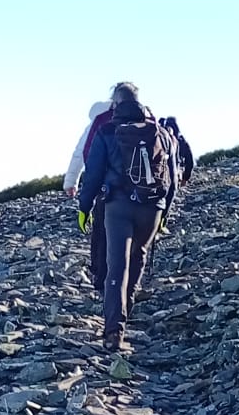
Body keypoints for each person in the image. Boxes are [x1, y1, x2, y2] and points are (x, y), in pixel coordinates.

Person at [76, 82, 175, 351]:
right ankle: (126, 308)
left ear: (115, 104)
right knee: (138, 255)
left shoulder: (107, 131)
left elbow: (93, 174)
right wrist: (165, 212)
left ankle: (113, 331)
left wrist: (84, 208)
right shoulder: (160, 132)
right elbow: (172, 179)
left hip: (117, 206)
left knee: (116, 266)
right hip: (152, 207)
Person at [63, 95, 114, 294]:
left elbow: (80, 152)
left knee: (100, 231)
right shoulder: (143, 119)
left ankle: (100, 276)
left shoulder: (99, 121)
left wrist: (71, 182)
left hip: (105, 187)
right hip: (139, 189)